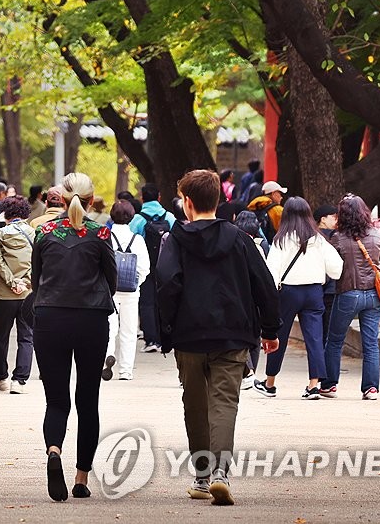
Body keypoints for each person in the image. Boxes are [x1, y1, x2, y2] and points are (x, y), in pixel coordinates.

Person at [156, 169, 280, 506]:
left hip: (189, 336)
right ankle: (221, 474)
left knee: (195, 404)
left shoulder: (175, 239)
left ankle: (201, 477)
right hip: (233, 335)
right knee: (225, 403)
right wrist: (270, 330)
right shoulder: (240, 239)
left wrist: (165, 331)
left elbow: (166, 285)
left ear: (188, 203)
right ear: (219, 200)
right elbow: (264, 286)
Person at [30, 172, 115, 501]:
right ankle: (81, 477)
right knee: (87, 399)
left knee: (56, 400)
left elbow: (37, 278)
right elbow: (111, 276)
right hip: (92, 319)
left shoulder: (45, 231)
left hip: (50, 317)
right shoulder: (101, 233)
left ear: (60, 200)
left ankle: (54, 451)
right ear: (91, 200)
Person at [253, 198, 343, 400]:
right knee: (315, 338)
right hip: (314, 292)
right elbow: (336, 268)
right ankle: (313, 386)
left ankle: (270, 383)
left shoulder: (281, 239)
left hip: (288, 293)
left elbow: (271, 271)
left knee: (280, 337)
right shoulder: (318, 239)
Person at [322, 193, 380, 401]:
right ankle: (371, 389)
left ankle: (330, 384)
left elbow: (331, 269)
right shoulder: (377, 235)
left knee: (334, 341)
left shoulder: (338, 238)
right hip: (374, 295)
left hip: (348, 293)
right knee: (370, 343)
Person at [0, 195, 35, 393]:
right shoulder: (35, 233)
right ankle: (20, 380)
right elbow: (39, 262)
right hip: (28, 293)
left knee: (1, 336)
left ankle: (1, 377)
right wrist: (25, 282)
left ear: (6, 213)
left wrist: (11, 281)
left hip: (4, 294)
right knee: (26, 336)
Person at [130, 183, 176, 353]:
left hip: (145, 267)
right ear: (159, 197)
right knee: (165, 300)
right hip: (166, 266)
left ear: (142, 198)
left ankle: (151, 340)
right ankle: (166, 338)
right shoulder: (169, 217)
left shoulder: (138, 219)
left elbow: (130, 240)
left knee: (147, 302)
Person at [106, 200, 149, 381]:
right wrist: (136, 282)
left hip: (109, 291)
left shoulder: (105, 237)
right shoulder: (137, 240)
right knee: (129, 332)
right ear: (131, 217)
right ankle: (125, 371)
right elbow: (145, 267)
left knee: (108, 328)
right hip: (131, 292)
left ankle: (106, 357)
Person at [233, 210, 269, 387]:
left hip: (237, 295)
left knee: (241, 333)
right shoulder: (260, 246)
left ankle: (247, 371)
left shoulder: (231, 244)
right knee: (254, 335)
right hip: (253, 297)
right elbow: (264, 276)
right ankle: (251, 370)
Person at [313, 204, 339, 342]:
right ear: (323, 219)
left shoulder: (336, 235)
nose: (336, 220)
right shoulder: (316, 237)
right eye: (334, 217)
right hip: (325, 288)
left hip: (324, 288)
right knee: (326, 328)